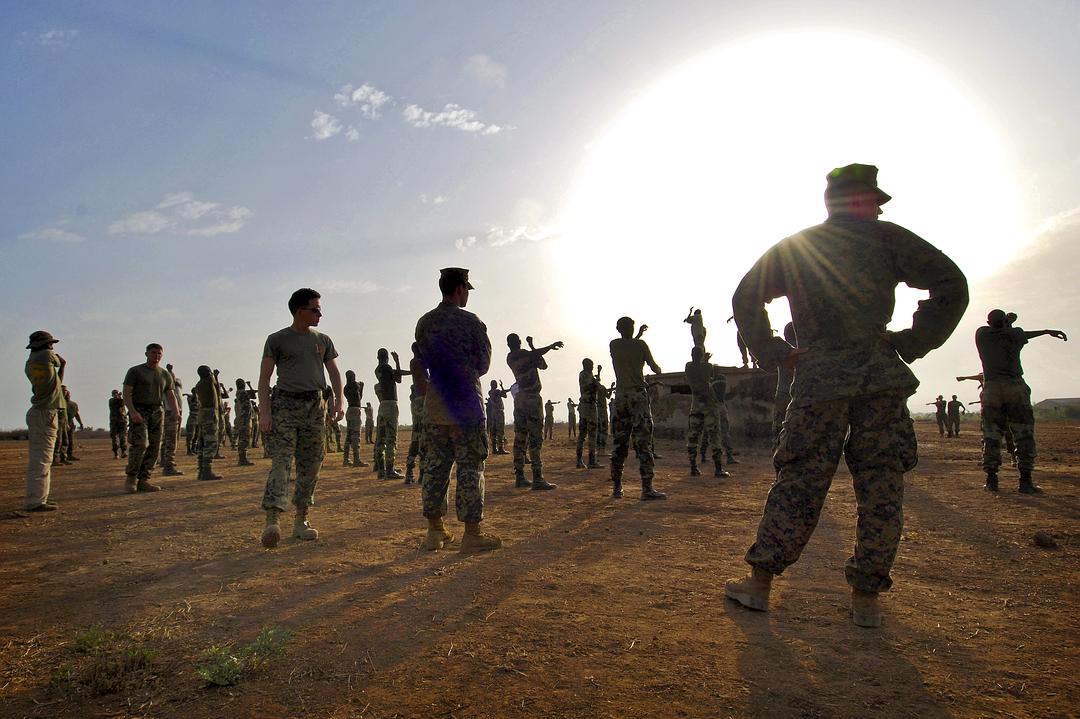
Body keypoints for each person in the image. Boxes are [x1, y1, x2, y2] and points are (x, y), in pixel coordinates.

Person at [725, 163, 968, 628]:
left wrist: (774, 350)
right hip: (878, 375)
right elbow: (951, 285)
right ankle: (866, 600)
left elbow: (745, 297)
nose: (876, 208)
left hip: (820, 377)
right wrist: (913, 340)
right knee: (881, 486)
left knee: (801, 479)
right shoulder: (889, 238)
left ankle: (759, 585)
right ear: (861, 200)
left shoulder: (799, 247)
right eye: (873, 200)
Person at [415, 267, 501, 552]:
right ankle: (472, 534)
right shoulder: (471, 322)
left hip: (436, 404)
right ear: (460, 288)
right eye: (466, 290)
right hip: (466, 404)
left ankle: (435, 532)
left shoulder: (425, 323)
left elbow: (422, 358)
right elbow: (484, 364)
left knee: (435, 468)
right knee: (470, 467)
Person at [258, 288, 343, 548]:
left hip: (315, 408)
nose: (320, 314)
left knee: (311, 465)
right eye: (315, 309)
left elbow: (334, 373)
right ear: (299, 311)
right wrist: (265, 411)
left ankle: (301, 520)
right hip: (285, 405)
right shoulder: (277, 339)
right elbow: (264, 378)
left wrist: (339, 401)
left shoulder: (323, 340)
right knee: (281, 463)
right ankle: (272, 520)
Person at [975, 309, 1067, 493]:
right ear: (1005, 322)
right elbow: (1018, 333)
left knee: (991, 435)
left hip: (992, 388)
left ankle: (991, 479)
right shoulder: (1015, 334)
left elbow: (1000, 329)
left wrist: (1007, 321)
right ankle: (1025, 480)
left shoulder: (982, 334)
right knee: (1023, 434)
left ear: (988, 321)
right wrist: (1047, 331)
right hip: (1014, 386)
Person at [609, 316, 665, 500]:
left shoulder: (614, 345)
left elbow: (629, 344)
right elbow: (655, 367)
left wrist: (639, 337)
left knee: (619, 444)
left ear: (618, 329)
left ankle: (617, 487)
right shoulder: (641, 345)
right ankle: (647, 489)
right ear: (632, 328)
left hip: (621, 398)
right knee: (643, 444)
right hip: (638, 397)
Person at [123, 343, 182, 493]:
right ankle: (131, 478)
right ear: (146, 354)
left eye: (159, 353)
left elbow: (170, 395)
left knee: (155, 446)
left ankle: (144, 480)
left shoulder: (164, 374)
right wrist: (132, 411)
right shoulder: (135, 371)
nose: (156, 356)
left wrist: (176, 412)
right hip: (140, 410)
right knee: (141, 444)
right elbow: (127, 393)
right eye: (153, 352)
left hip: (157, 411)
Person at [507, 333, 563, 489]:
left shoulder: (510, 358)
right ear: (518, 342)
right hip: (532, 398)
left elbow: (542, 363)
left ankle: (520, 477)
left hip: (520, 399)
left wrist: (534, 349)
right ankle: (537, 478)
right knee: (535, 439)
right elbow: (539, 360)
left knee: (520, 439)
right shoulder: (524, 354)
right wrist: (548, 346)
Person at [24, 330, 65, 511]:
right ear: (45, 345)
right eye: (51, 343)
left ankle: (39, 498)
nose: (52, 346)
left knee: (40, 458)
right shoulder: (47, 356)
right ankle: (35, 501)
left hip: (39, 411)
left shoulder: (31, 362)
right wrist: (62, 363)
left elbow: (55, 383)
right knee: (41, 459)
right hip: (45, 413)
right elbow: (58, 360)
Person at [685, 347, 730, 478]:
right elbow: (707, 375)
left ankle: (693, 467)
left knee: (693, 436)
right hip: (709, 404)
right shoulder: (707, 366)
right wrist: (706, 360)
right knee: (714, 435)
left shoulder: (688, 367)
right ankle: (718, 468)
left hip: (696, 404)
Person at [373, 348, 410, 479]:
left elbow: (397, 374)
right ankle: (390, 470)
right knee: (391, 439)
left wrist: (412, 372)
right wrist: (398, 361)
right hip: (391, 405)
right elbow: (398, 378)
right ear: (387, 357)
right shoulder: (387, 367)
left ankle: (381, 470)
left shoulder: (378, 369)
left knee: (381, 440)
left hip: (382, 406)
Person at [193, 366, 223, 481]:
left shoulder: (198, 384)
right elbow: (217, 386)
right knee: (210, 442)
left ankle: (201, 470)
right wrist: (216, 376)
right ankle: (207, 470)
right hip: (210, 413)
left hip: (202, 414)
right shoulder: (209, 380)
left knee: (202, 442)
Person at [405, 343, 428, 484]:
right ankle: (414, 471)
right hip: (422, 403)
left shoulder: (418, 363)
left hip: (421, 402)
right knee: (421, 438)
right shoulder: (417, 362)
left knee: (420, 438)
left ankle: (418, 472)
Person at [575, 358, 604, 470]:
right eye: (591, 365)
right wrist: (599, 385)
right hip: (588, 406)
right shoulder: (584, 375)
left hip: (588, 406)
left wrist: (598, 374)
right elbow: (593, 385)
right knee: (590, 433)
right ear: (585, 365)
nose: (592, 367)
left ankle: (582, 460)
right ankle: (590, 461)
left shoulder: (588, 375)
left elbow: (595, 383)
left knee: (585, 434)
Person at [774, 322, 797, 443]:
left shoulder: (782, 349)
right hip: (797, 394)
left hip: (782, 393)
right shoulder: (800, 350)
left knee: (779, 429)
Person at [159, 364, 184, 476]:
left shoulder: (177, 389)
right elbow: (172, 380)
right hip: (170, 413)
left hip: (176, 413)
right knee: (171, 439)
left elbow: (174, 381)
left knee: (171, 439)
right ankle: (168, 465)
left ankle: (165, 462)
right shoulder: (167, 388)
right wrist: (170, 371)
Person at [342, 370, 369, 468]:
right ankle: (356, 460)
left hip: (349, 410)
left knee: (349, 436)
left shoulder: (345, 388)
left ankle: (346, 459)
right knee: (356, 435)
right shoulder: (355, 385)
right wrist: (362, 388)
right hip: (355, 410)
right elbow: (359, 398)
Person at [486, 380, 511, 454]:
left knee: (493, 431)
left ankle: (494, 449)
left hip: (493, 412)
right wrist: (503, 387)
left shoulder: (490, 392)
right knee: (500, 430)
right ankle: (501, 448)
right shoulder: (497, 391)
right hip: (499, 412)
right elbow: (505, 395)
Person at [61, 386, 84, 461]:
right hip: (61, 422)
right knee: (61, 441)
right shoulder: (59, 402)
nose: (66, 393)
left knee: (70, 441)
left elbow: (77, 414)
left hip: (70, 422)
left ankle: (69, 455)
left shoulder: (73, 404)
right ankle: (60, 457)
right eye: (63, 391)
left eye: (66, 391)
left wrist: (81, 423)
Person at [109, 389, 129, 459]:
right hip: (114, 422)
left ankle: (123, 452)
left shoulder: (121, 400)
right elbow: (115, 401)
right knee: (114, 438)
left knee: (123, 437)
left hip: (122, 422)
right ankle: (116, 453)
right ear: (112, 395)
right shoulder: (111, 400)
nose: (115, 394)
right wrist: (118, 397)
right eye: (114, 394)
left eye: (116, 393)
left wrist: (120, 397)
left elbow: (122, 403)